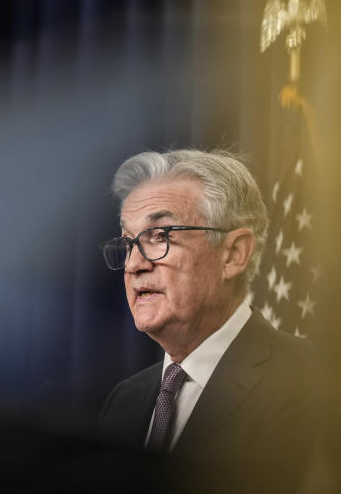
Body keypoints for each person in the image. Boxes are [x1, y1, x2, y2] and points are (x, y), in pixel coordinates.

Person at [98, 149, 315, 492]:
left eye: (161, 236)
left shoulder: (313, 382)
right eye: (128, 243)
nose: (133, 264)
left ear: (233, 254)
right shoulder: (123, 402)